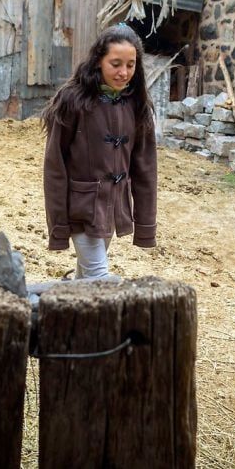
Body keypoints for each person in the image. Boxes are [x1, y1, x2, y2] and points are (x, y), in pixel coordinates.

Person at [41, 24, 157, 279]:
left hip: (113, 210)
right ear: (98, 61)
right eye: (115, 64)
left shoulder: (137, 104)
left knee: (84, 282)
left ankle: (66, 302)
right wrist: (59, 224)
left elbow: (145, 170)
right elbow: (55, 167)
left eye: (130, 65)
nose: (123, 72)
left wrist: (145, 224)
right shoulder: (73, 101)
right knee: (99, 280)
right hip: (81, 209)